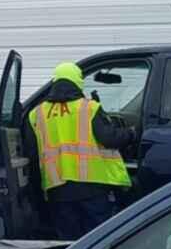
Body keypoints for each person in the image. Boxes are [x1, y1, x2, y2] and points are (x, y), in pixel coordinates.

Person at [27, 61, 137, 239]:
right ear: (77, 81)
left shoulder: (37, 113)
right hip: (92, 187)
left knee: (69, 241)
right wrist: (131, 134)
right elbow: (109, 138)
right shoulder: (88, 107)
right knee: (97, 238)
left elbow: (32, 153)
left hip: (57, 190)